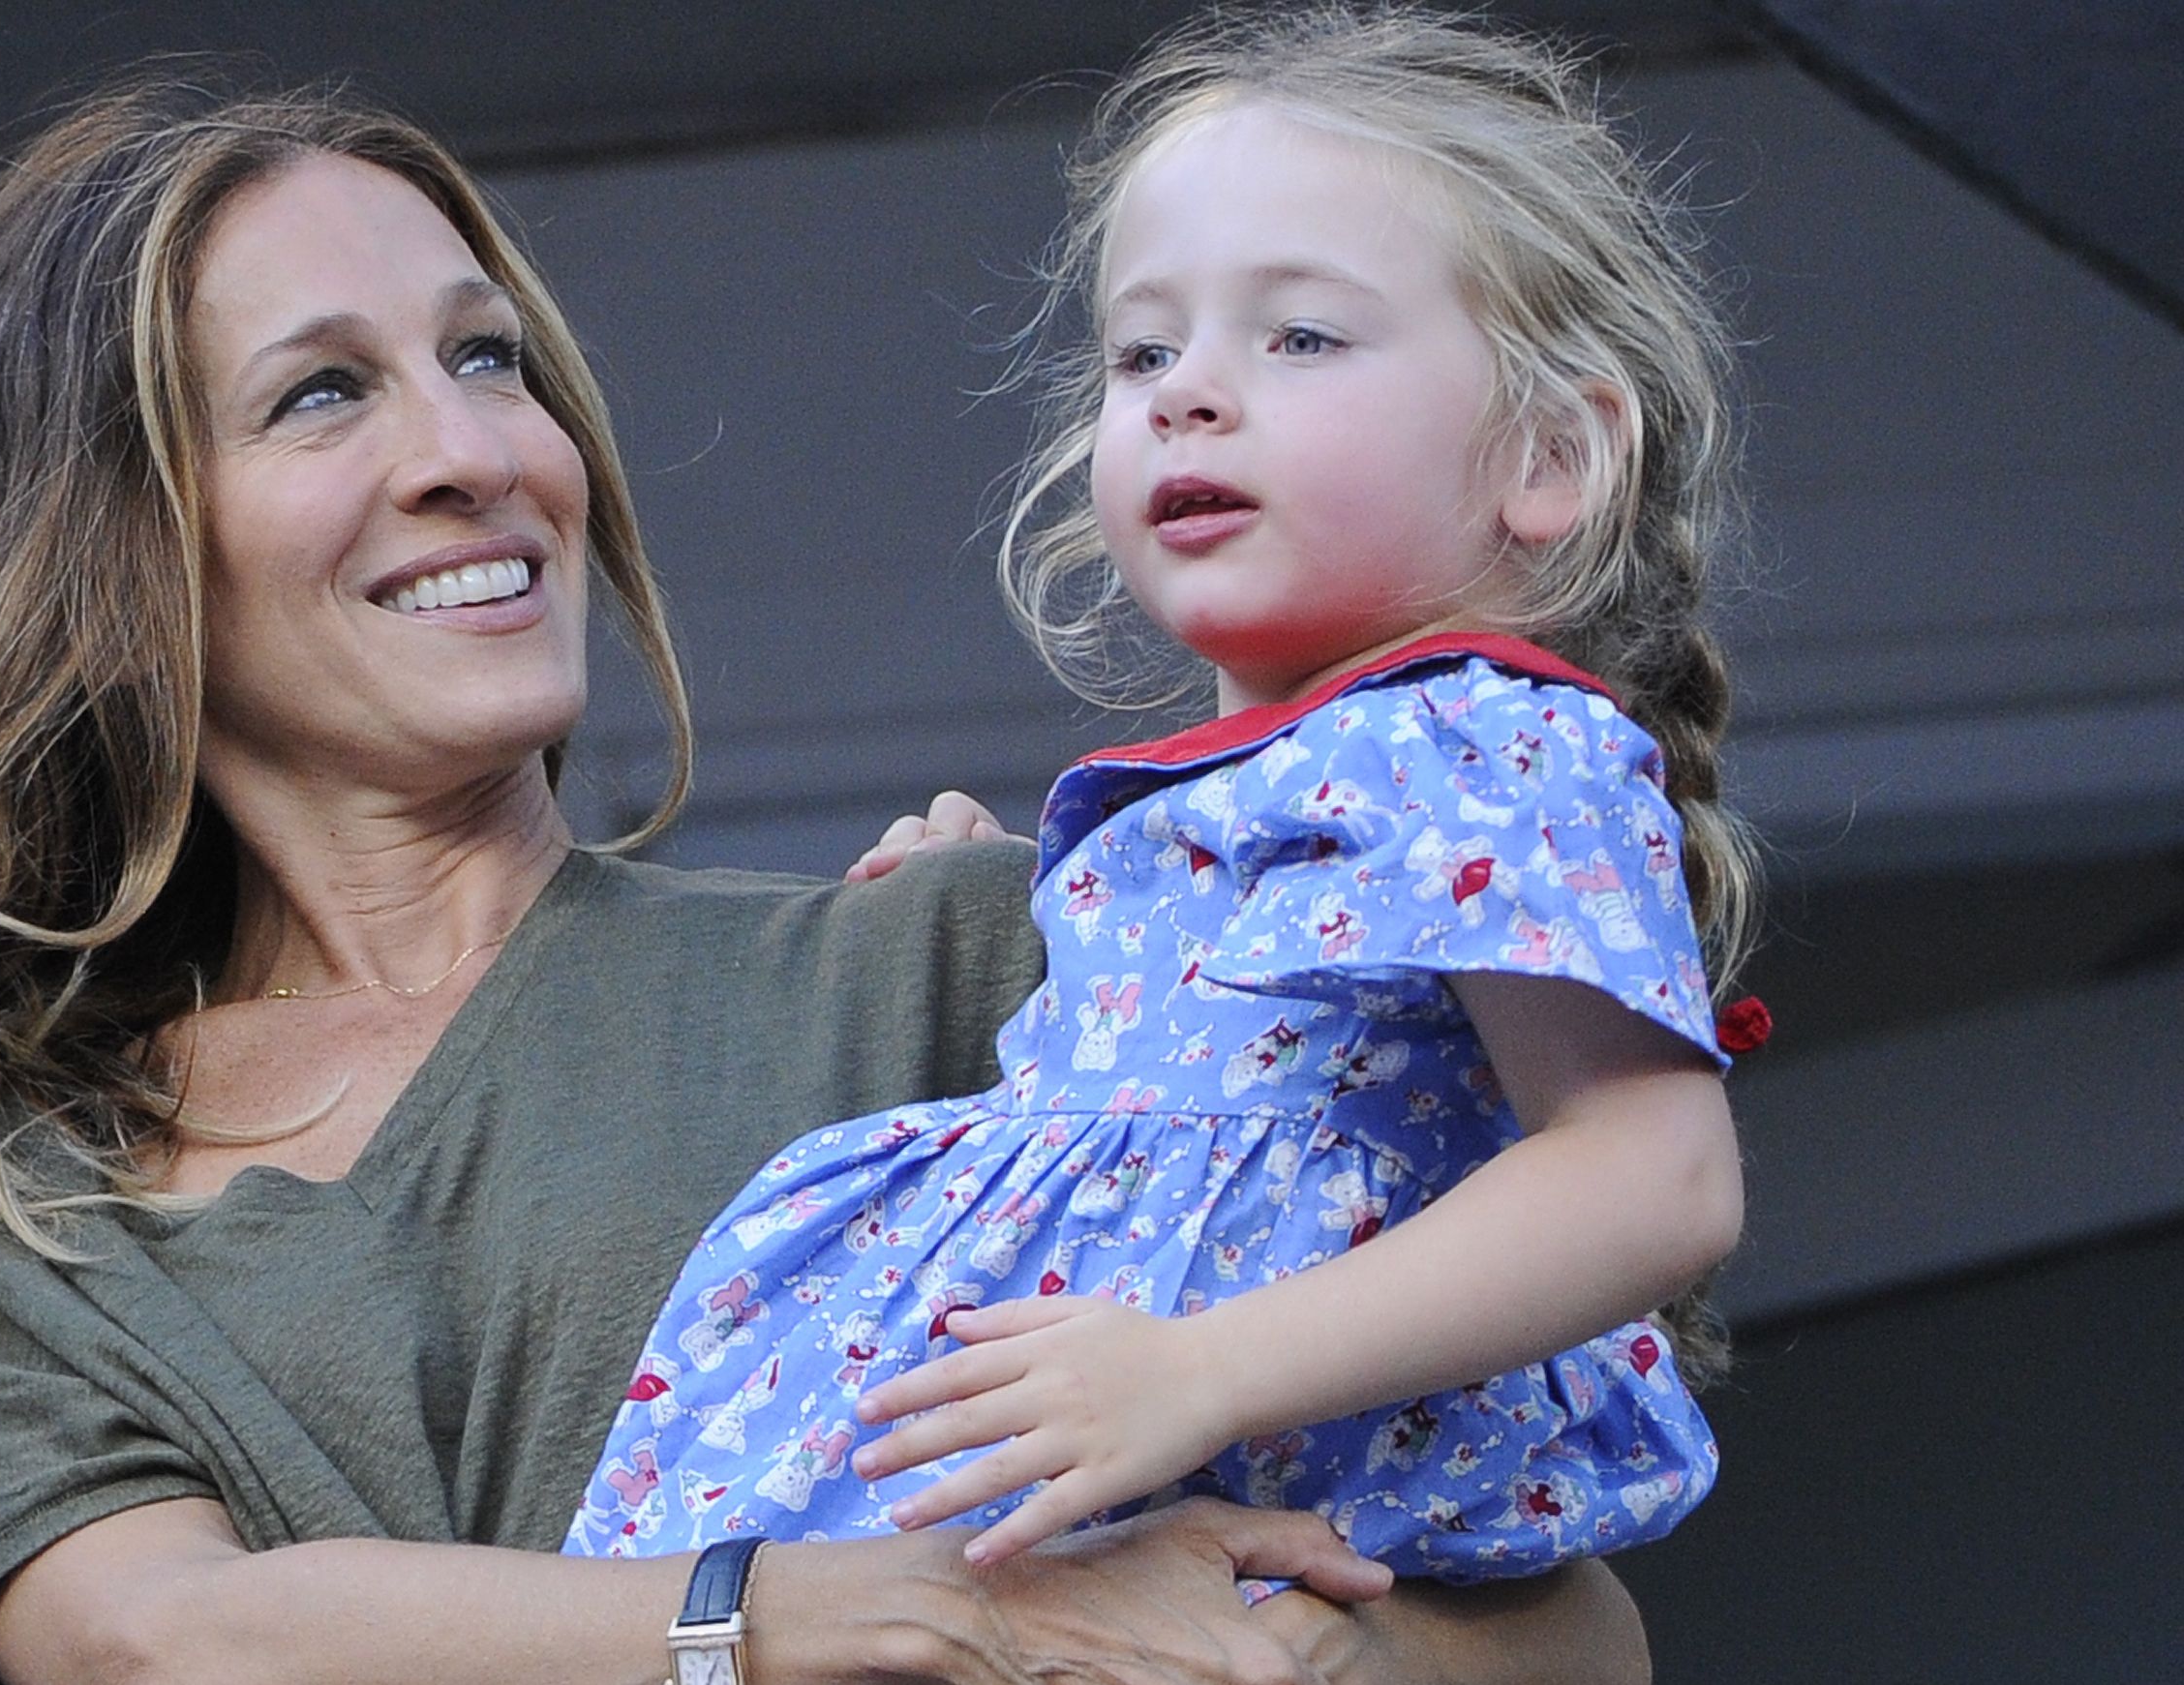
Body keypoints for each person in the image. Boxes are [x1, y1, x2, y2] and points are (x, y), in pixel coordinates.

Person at [0, 54, 1663, 1685]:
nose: (474, 452)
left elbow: (1567, 1618)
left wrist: (1294, 1649)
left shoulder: (973, 974)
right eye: (323, 392)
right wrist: (814, 1619)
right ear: (101, 555)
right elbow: (155, 1639)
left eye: (488, 357)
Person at [569, 7, 1759, 1586]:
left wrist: (1197, 1372)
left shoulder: (1491, 740)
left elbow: (1656, 1173)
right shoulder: (1253, 797)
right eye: (1144, 351)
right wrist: (1026, 908)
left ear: (1547, 453)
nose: (1189, 392)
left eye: (1301, 337)